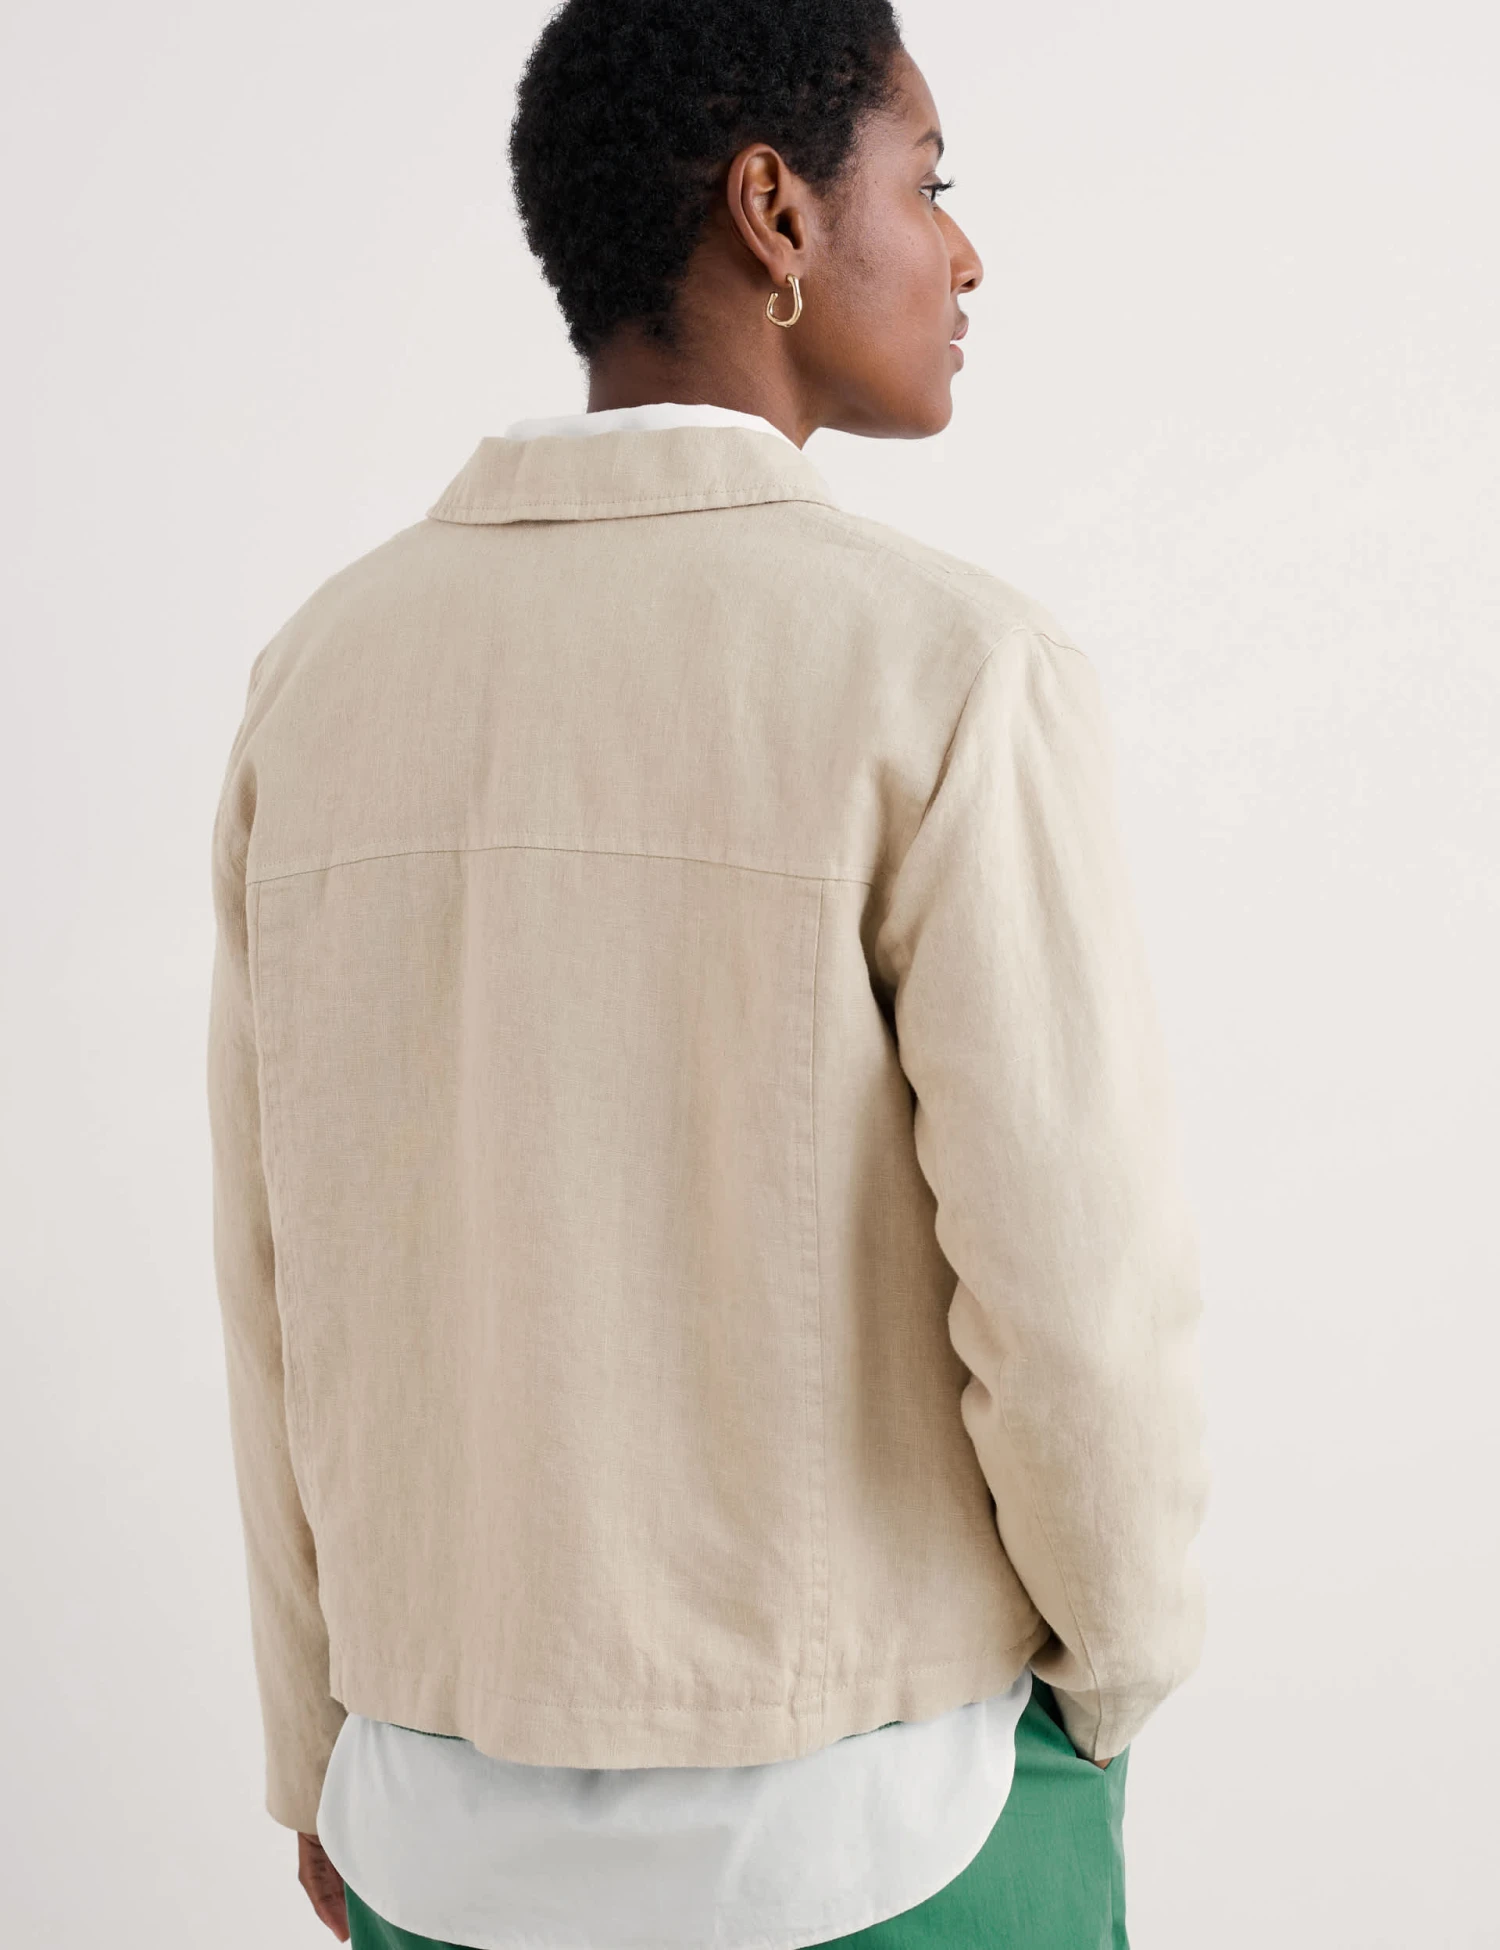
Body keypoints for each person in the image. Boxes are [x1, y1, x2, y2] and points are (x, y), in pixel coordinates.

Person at [205, 3, 1211, 1946]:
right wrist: (1108, 1690)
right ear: (776, 212)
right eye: (928, 182)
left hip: (436, 1838)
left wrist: (308, 1742)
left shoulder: (320, 678)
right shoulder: (948, 670)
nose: (965, 252)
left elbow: (275, 1290)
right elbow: (1073, 1288)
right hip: (897, 1833)